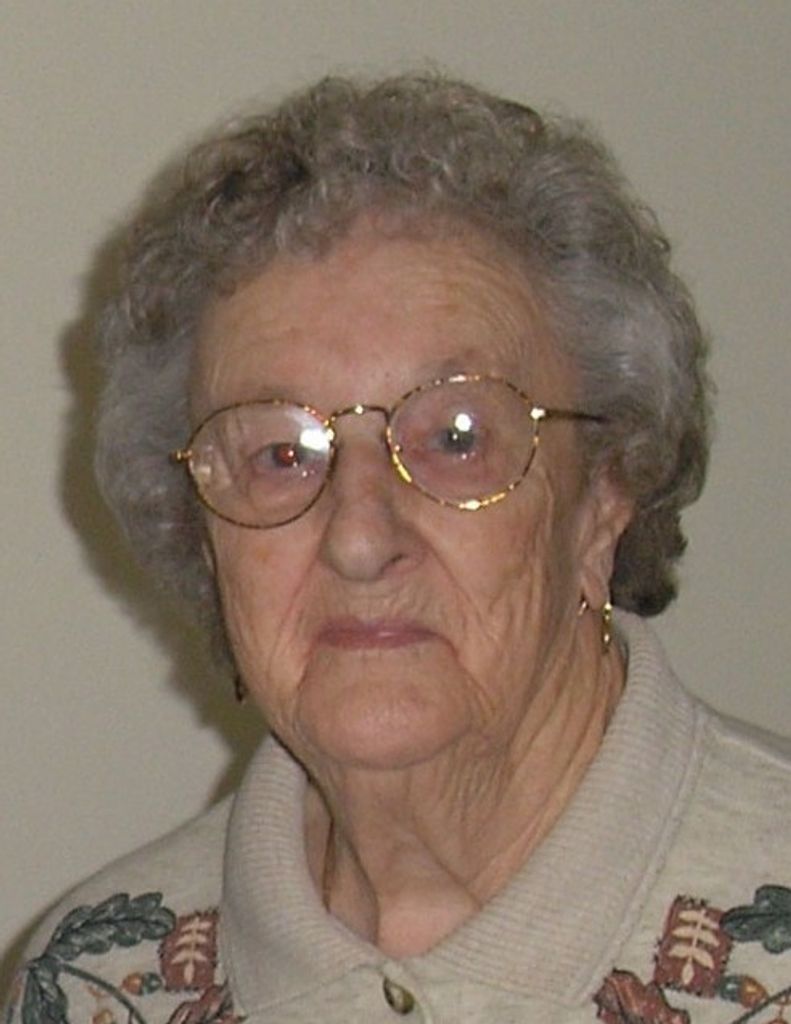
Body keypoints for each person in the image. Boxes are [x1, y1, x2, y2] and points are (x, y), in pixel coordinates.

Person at [6, 74, 791, 1024]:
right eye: (279, 455)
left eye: (456, 438)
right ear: (202, 539)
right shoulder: (99, 982)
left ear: (603, 498)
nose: (359, 538)